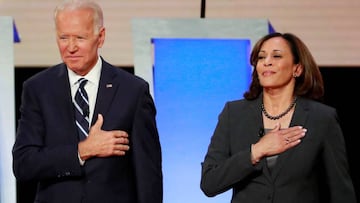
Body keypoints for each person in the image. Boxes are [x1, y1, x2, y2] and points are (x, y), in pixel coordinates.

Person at [12, 0, 163, 202]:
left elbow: (148, 174)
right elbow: (24, 164)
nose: (71, 47)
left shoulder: (133, 91)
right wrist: (82, 151)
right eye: (63, 37)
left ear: (100, 37)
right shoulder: (38, 89)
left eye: (80, 38)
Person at [200, 32, 357, 203]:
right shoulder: (234, 113)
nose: (267, 62)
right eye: (261, 57)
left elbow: (341, 192)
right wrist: (256, 152)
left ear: (297, 68)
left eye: (276, 56)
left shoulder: (321, 118)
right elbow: (210, 182)